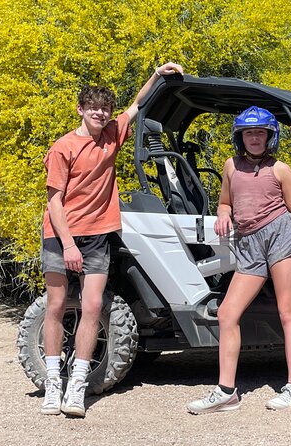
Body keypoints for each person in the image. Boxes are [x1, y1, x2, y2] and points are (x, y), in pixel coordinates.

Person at [40, 62, 184, 417]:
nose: (100, 114)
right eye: (94, 109)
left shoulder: (112, 134)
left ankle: (77, 385)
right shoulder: (63, 147)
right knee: (56, 306)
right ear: (81, 110)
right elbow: (54, 200)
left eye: (104, 109)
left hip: (97, 236)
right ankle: (52, 383)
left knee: (92, 307)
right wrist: (69, 244)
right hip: (60, 235)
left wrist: (158, 74)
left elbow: (137, 104)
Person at [186, 106, 291, 414]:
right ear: (239, 137)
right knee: (228, 312)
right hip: (248, 243)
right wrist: (223, 214)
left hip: (281, 236)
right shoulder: (231, 165)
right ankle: (226, 391)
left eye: (260, 133)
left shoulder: (281, 169)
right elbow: (225, 202)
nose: (254, 138)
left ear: (271, 136)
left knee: (287, 312)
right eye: (248, 133)